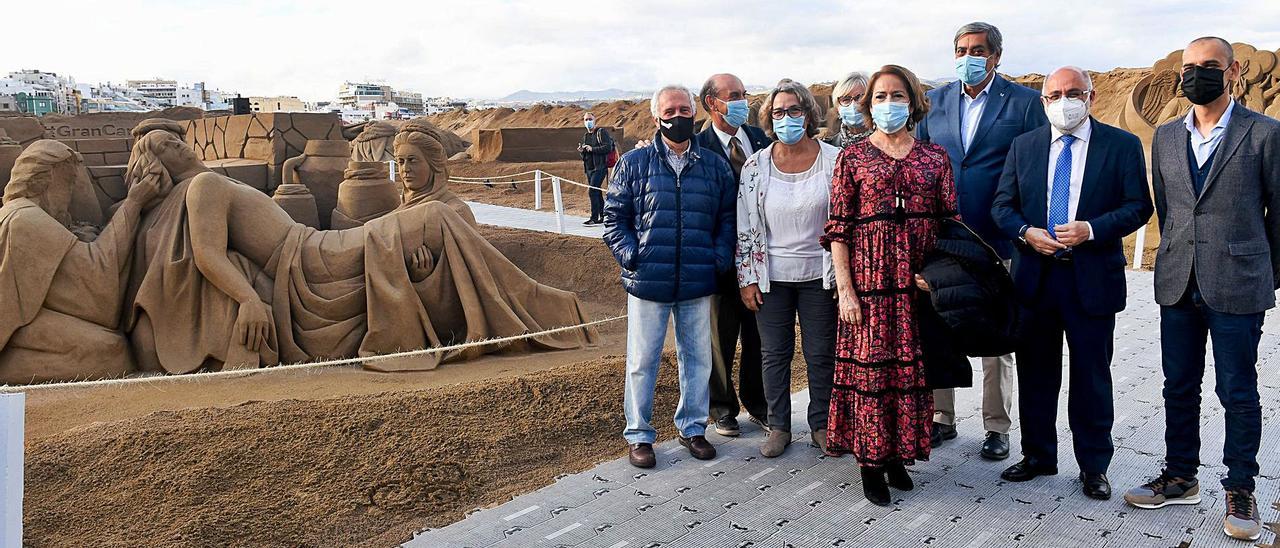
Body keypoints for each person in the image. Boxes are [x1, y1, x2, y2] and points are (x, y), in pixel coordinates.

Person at [1123, 36, 1280, 542]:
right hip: (1178, 281)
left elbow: (1279, 215)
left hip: (1238, 283)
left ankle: (1240, 487)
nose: (1196, 75)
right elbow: (1170, 209)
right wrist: (1180, 255)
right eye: (1190, 67)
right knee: (1178, 385)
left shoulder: (1265, 134)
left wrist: (1265, 273)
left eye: (1209, 66)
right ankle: (1180, 476)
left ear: (1233, 71)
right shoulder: (1168, 136)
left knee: (1237, 389)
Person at [990, 67, 1154, 500]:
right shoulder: (1023, 147)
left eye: (1074, 93)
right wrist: (1026, 232)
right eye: (1056, 94)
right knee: (1036, 375)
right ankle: (1039, 455)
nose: (1065, 101)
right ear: (1044, 102)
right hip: (1035, 281)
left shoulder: (1121, 145)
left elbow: (1139, 206)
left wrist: (1092, 229)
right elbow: (1002, 206)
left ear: (1091, 96)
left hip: (1092, 281)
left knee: (1092, 378)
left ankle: (1094, 466)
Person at [822, 65, 957, 506]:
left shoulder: (934, 158)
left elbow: (951, 225)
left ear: (913, 102)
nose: (887, 105)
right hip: (870, 289)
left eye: (896, 96)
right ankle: (870, 464)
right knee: (871, 377)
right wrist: (846, 292)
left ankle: (897, 455)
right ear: (867, 105)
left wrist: (936, 278)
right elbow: (838, 231)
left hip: (916, 289)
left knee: (910, 378)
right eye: (879, 97)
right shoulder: (852, 158)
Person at [916, 21, 1048, 460]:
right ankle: (941, 417)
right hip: (943, 237)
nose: (967, 57)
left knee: (996, 331)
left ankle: (996, 425)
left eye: (976, 50)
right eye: (960, 50)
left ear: (995, 56)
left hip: (997, 238)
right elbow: (918, 163)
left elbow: (1033, 169)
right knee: (940, 322)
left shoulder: (1026, 104)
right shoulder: (933, 102)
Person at [604, 84, 737, 468]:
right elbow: (614, 219)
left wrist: (718, 258)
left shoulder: (713, 166)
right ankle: (640, 435)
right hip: (648, 282)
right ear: (656, 116)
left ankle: (693, 428)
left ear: (694, 113)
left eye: (684, 109)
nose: (678, 116)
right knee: (642, 360)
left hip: (698, 280)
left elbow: (727, 219)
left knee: (697, 359)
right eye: (670, 110)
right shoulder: (634, 163)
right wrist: (633, 256)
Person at [0, 140, 166, 384]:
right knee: (112, 351)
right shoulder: (27, 218)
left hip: (25, 320)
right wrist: (134, 203)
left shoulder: (14, 212)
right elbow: (97, 283)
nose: (70, 196)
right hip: (16, 329)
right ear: (45, 180)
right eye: (68, 184)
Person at [735, 79, 839, 458]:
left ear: (808, 114)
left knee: (820, 353)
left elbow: (843, 220)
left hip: (820, 276)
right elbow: (745, 225)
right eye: (778, 112)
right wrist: (747, 278)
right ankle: (779, 426)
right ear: (769, 118)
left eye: (794, 110)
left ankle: (822, 423)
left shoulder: (834, 160)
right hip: (771, 278)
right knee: (773, 354)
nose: (786, 117)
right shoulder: (755, 165)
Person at [695, 73, 774, 437]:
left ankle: (758, 403)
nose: (744, 100)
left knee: (758, 337)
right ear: (713, 103)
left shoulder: (759, 139)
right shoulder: (698, 147)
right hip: (721, 261)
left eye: (744, 93)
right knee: (719, 339)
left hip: (759, 260)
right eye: (736, 95)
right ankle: (722, 408)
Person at [578, 112, 614, 225]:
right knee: (597, 192)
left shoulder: (601, 132)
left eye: (590, 119)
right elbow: (586, 154)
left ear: (595, 120)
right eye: (586, 119)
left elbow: (607, 147)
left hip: (600, 167)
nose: (588, 121)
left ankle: (594, 218)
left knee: (592, 191)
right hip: (589, 168)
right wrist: (582, 151)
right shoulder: (586, 136)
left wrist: (592, 149)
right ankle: (603, 216)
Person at [825, 72, 872, 148]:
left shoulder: (889, 144)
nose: (853, 105)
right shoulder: (829, 148)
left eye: (860, 98)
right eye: (846, 99)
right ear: (837, 107)